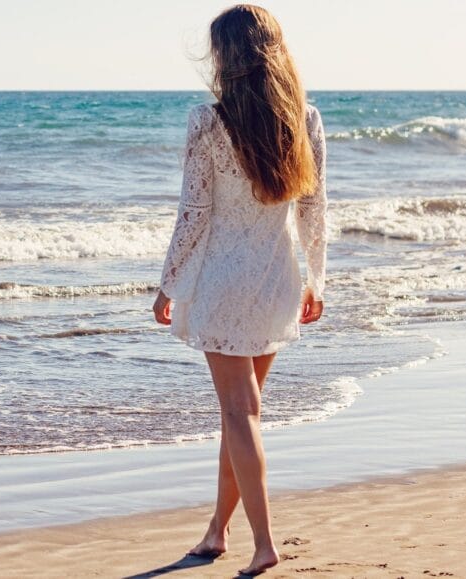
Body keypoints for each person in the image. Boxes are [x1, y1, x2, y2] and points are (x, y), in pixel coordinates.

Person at [152, 4, 327, 576]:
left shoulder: (207, 121)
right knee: (242, 416)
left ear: (227, 55)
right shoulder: (305, 119)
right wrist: (316, 279)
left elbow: (193, 213)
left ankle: (264, 544)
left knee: (239, 412)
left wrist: (168, 283)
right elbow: (313, 211)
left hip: (223, 284)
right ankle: (216, 532)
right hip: (277, 280)